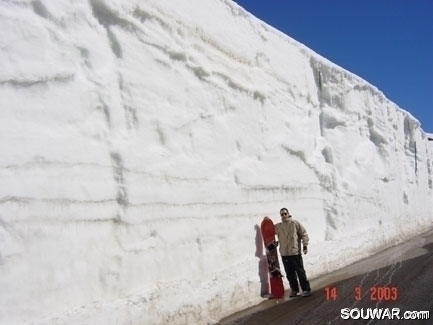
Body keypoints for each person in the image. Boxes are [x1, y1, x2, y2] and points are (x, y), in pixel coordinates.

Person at [274, 207, 311, 297]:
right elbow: (270, 232)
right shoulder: (278, 226)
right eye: (282, 214)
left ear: (288, 214)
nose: (283, 216)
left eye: (285, 213)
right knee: (290, 274)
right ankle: (294, 290)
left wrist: (305, 245)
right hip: (284, 254)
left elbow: (304, 234)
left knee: (300, 272)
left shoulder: (295, 223)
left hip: (295, 253)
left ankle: (306, 289)